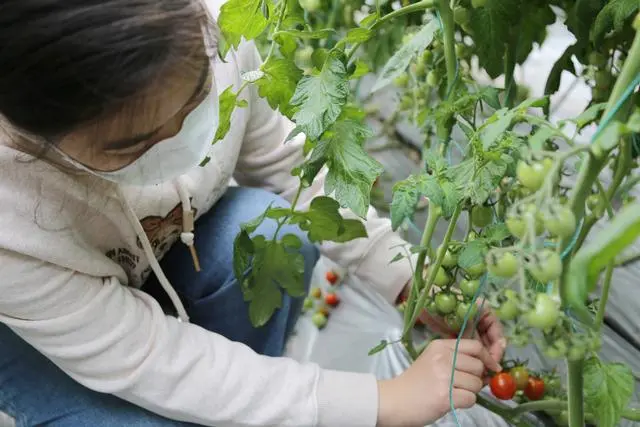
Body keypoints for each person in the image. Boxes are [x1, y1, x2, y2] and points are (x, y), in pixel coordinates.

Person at [0, 1, 506, 426]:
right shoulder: (12, 214)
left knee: (269, 232)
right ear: (37, 136)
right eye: (135, 145)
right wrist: (379, 404)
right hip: (36, 334)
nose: (181, 137)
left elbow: (289, 167)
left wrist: (402, 277)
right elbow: (152, 359)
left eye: (197, 98)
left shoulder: (208, 23)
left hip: (154, 258)